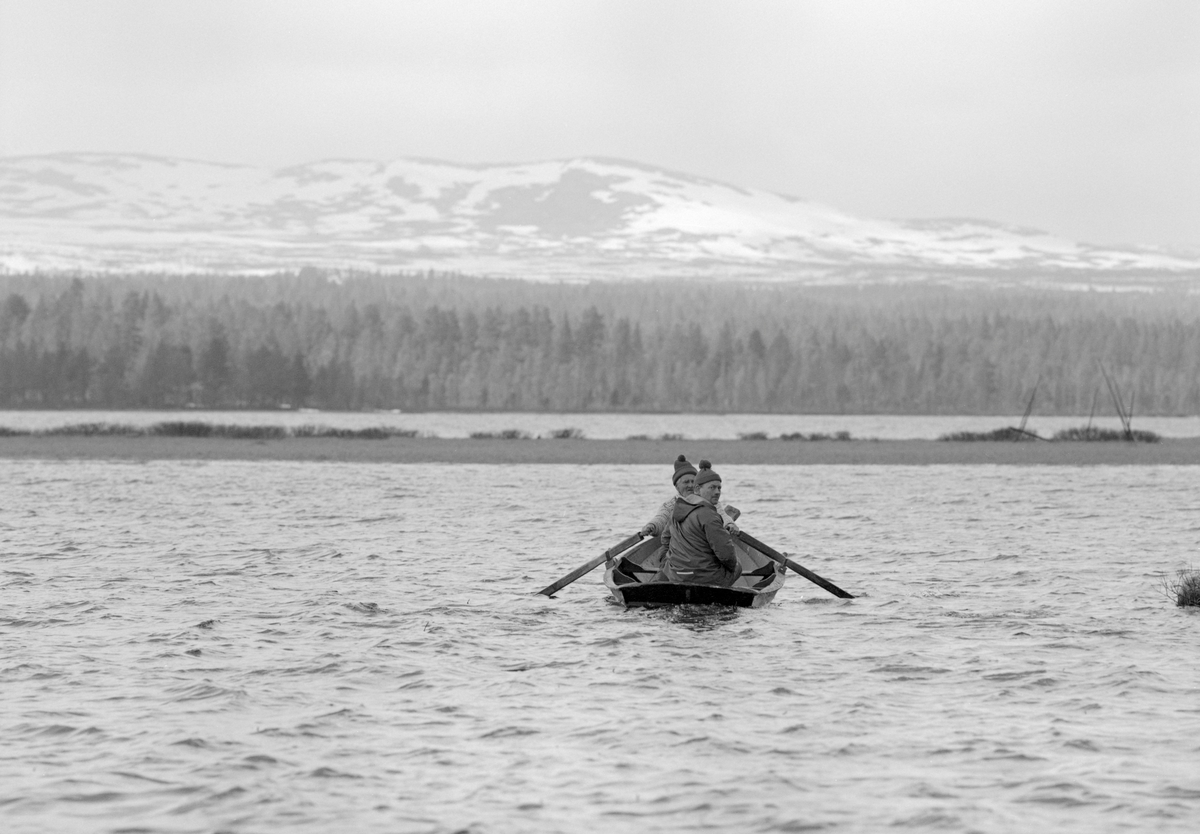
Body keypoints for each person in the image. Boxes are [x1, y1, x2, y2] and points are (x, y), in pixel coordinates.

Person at [657, 460, 742, 587]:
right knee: (738, 565)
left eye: (719, 488)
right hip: (705, 579)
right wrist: (731, 567)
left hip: (677, 577)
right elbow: (726, 555)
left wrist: (666, 564)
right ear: (697, 489)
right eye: (712, 488)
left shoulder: (677, 508)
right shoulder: (709, 515)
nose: (717, 492)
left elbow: (665, 539)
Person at [641, 454, 741, 538]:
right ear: (676, 486)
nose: (690, 485)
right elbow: (660, 519)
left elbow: (722, 514)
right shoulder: (669, 506)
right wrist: (652, 526)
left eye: (693, 482)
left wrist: (729, 524)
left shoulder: (708, 502)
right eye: (686, 482)